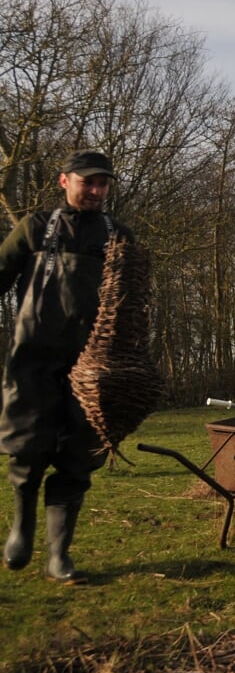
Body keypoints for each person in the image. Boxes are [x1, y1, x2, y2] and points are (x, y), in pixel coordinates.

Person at [0, 149, 136, 584]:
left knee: (79, 454)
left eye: (103, 184)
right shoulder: (35, 228)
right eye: (87, 182)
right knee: (27, 446)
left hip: (92, 367)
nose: (95, 191)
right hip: (34, 357)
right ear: (65, 181)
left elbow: (134, 306)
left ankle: (59, 554)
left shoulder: (119, 237)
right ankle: (21, 527)